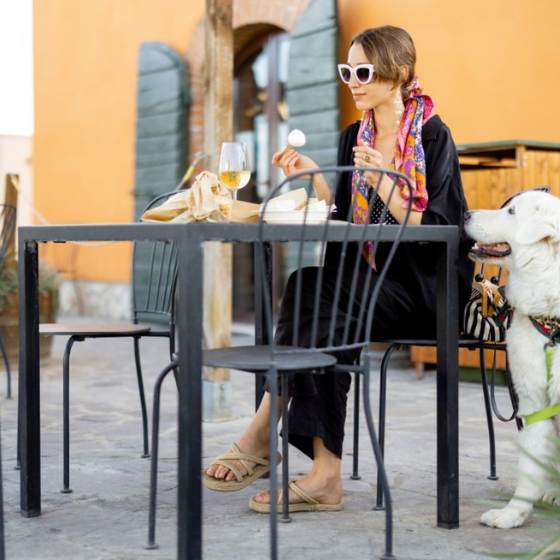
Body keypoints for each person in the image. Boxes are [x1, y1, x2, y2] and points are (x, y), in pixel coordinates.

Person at [203, 25, 474, 512]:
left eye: (364, 71)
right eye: (347, 70)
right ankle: (322, 473)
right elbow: (348, 215)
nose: (354, 80)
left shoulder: (432, 136)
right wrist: (318, 180)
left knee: (320, 297)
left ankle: (268, 434)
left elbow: (442, 227)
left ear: (401, 73)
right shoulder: (357, 134)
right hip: (366, 286)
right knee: (310, 291)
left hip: (426, 293)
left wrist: (385, 184)